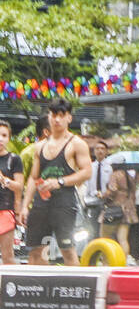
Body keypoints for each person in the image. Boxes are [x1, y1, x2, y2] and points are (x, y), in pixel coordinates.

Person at [19, 99, 91, 266]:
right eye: (53, 115)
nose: (57, 119)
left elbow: (87, 172)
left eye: (61, 115)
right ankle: (37, 288)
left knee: (67, 249)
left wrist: (60, 181)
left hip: (64, 204)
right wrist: (24, 205)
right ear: (49, 117)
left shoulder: (77, 144)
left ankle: (74, 289)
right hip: (40, 204)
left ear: (69, 118)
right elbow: (33, 177)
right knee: (37, 250)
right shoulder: (40, 146)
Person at [99, 159, 137, 255]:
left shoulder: (115, 174)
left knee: (105, 238)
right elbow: (133, 193)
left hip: (115, 208)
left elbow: (112, 189)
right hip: (128, 209)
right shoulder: (129, 177)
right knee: (123, 239)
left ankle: (106, 262)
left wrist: (103, 195)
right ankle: (123, 262)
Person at [0, 120, 24, 264]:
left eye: (4, 135)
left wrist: (4, 180)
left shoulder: (14, 159)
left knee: (7, 255)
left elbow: (19, 186)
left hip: (5, 210)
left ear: (9, 138)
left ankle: (10, 285)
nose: (0, 139)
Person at [82, 141, 110, 224]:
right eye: (97, 149)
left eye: (102, 149)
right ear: (94, 151)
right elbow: (86, 184)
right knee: (92, 228)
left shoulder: (111, 167)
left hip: (106, 202)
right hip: (92, 202)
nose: (100, 151)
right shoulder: (89, 167)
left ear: (106, 151)